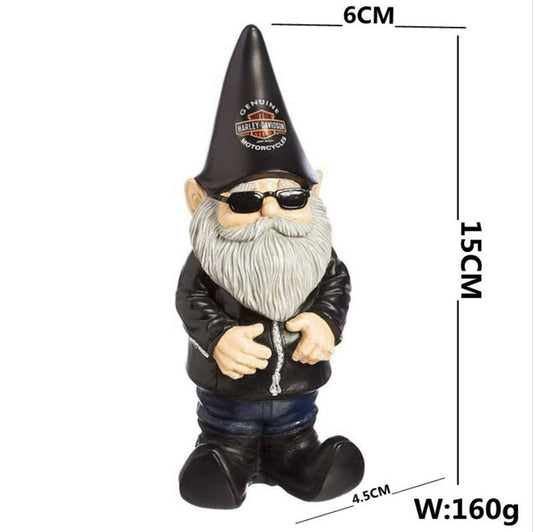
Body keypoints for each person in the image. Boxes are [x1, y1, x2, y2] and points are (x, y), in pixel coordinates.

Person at [176, 25, 364, 509]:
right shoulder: (211, 260)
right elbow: (190, 300)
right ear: (199, 201)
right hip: (229, 394)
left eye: (290, 197)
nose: (270, 213)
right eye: (244, 201)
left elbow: (336, 285)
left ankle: (299, 460)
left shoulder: (317, 255)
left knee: (294, 429)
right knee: (229, 431)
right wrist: (219, 337)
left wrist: (326, 321)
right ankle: (224, 461)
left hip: (298, 392)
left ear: (314, 192)